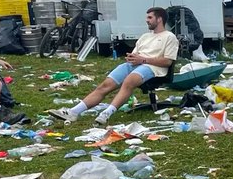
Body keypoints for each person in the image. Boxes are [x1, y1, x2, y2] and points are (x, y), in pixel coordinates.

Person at [48, 8, 179, 126]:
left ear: (159, 19)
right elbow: (135, 54)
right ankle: (73, 112)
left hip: (153, 68)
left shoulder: (169, 37)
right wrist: (132, 58)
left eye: (150, 18)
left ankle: (106, 113)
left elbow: (167, 61)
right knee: (105, 85)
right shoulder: (145, 36)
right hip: (135, 64)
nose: (147, 21)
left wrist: (143, 59)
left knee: (129, 81)